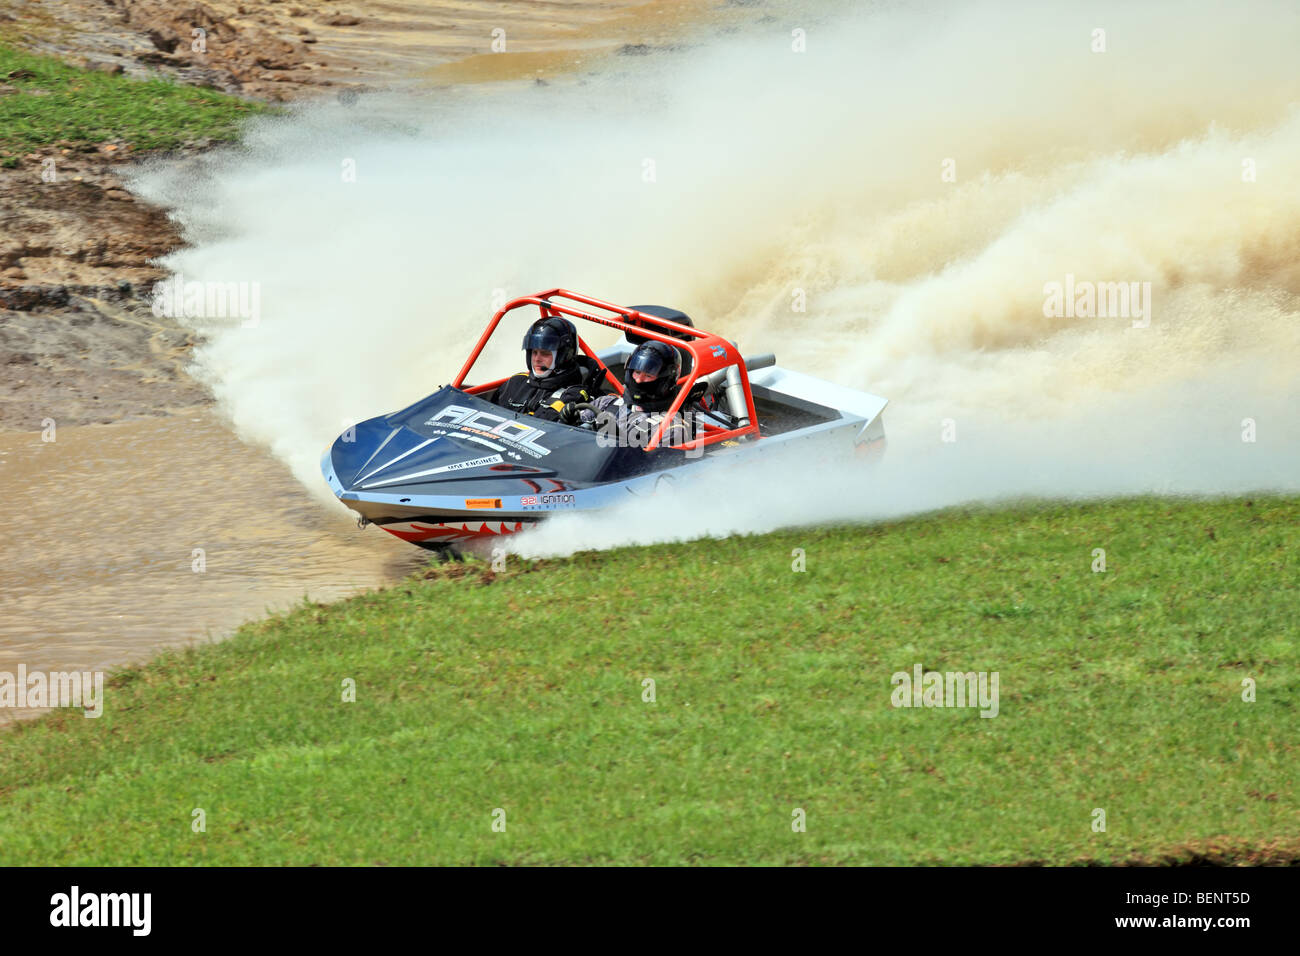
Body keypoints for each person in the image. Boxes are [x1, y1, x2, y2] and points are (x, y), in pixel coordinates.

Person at [561, 339, 694, 448]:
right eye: (636, 372)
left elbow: (648, 470)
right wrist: (568, 422)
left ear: (665, 380)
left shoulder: (673, 429)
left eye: (648, 375)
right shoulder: (607, 403)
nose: (639, 379)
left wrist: (616, 438)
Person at [493, 317, 593, 421]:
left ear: (564, 356)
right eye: (534, 352)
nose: (537, 359)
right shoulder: (516, 382)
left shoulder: (573, 394)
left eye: (545, 353)